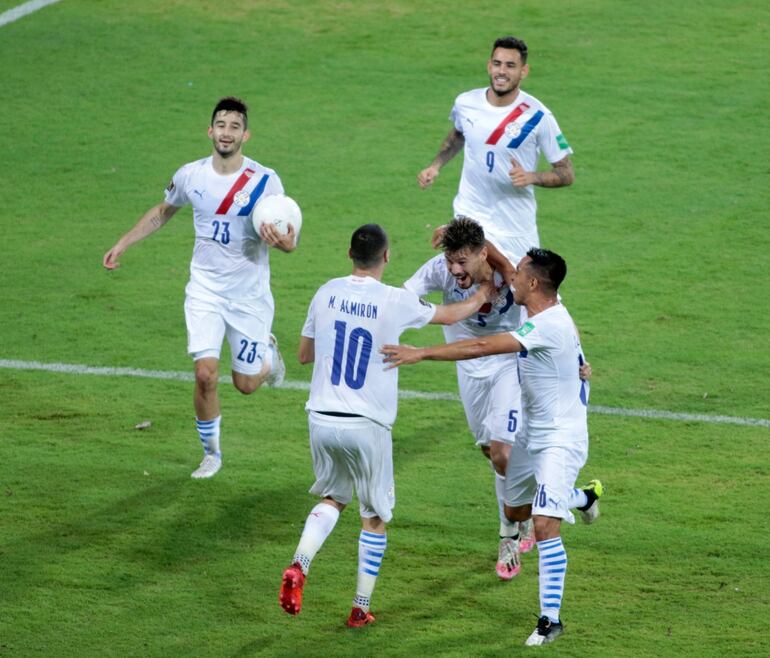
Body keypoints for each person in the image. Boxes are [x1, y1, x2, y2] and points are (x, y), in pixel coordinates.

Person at [279, 224, 496, 627]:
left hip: (321, 418)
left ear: (349, 254)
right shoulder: (394, 300)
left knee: (332, 498)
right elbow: (449, 313)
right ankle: (360, 608)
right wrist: (483, 294)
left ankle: (299, 563)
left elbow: (305, 355)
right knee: (373, 517)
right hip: (368, 424)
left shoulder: (325, 291)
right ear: (387, 257)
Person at [382, 248, 602, 646]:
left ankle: (550, 620)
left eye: (517, 274)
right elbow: (579, 362)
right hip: (531, 435)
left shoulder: (546, 326)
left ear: (533, 283)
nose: (510, 279)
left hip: (560, 440)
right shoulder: (546, 314)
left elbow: (482, 347)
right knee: (516, 510)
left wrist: (422, 353)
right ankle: (581, 498)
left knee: (543, 524)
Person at [103, 96, 296, 479]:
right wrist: (123, 242)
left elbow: (289, 234)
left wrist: (286, 243)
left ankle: (269, 358)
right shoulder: (191, 175)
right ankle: (212, 454)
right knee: (205, 374)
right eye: (221, 125)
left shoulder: (265, 180)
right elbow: (162, 212)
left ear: (246, 134)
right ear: (210, 131)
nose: (227, 132)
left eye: (235, 126)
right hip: (205, 291)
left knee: (244, 384)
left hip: (248, 296)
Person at [403, 217, 530, 580]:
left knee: (503, 451)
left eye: (462, 262)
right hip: (469, 367)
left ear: (482, 253)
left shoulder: (512, 273)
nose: (454, 270)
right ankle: (532, 501)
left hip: (508, 360)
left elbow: (551, 309)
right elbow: (404, 296)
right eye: (450, 261)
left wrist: (578, 359)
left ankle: (509, 533)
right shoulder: (440, 271)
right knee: (491, 452)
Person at [417, 36, 574, 265]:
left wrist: (532, 177)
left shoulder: (538, 116)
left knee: (519, 293)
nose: (502, 71)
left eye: (511, 66)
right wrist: (435, 165)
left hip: (514, 226)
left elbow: (566, 172)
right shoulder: (466, 103)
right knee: (462, 287)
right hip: (469, 214)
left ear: (524, 71)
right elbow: (459, 133)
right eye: (498, 63)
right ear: (489, 65)